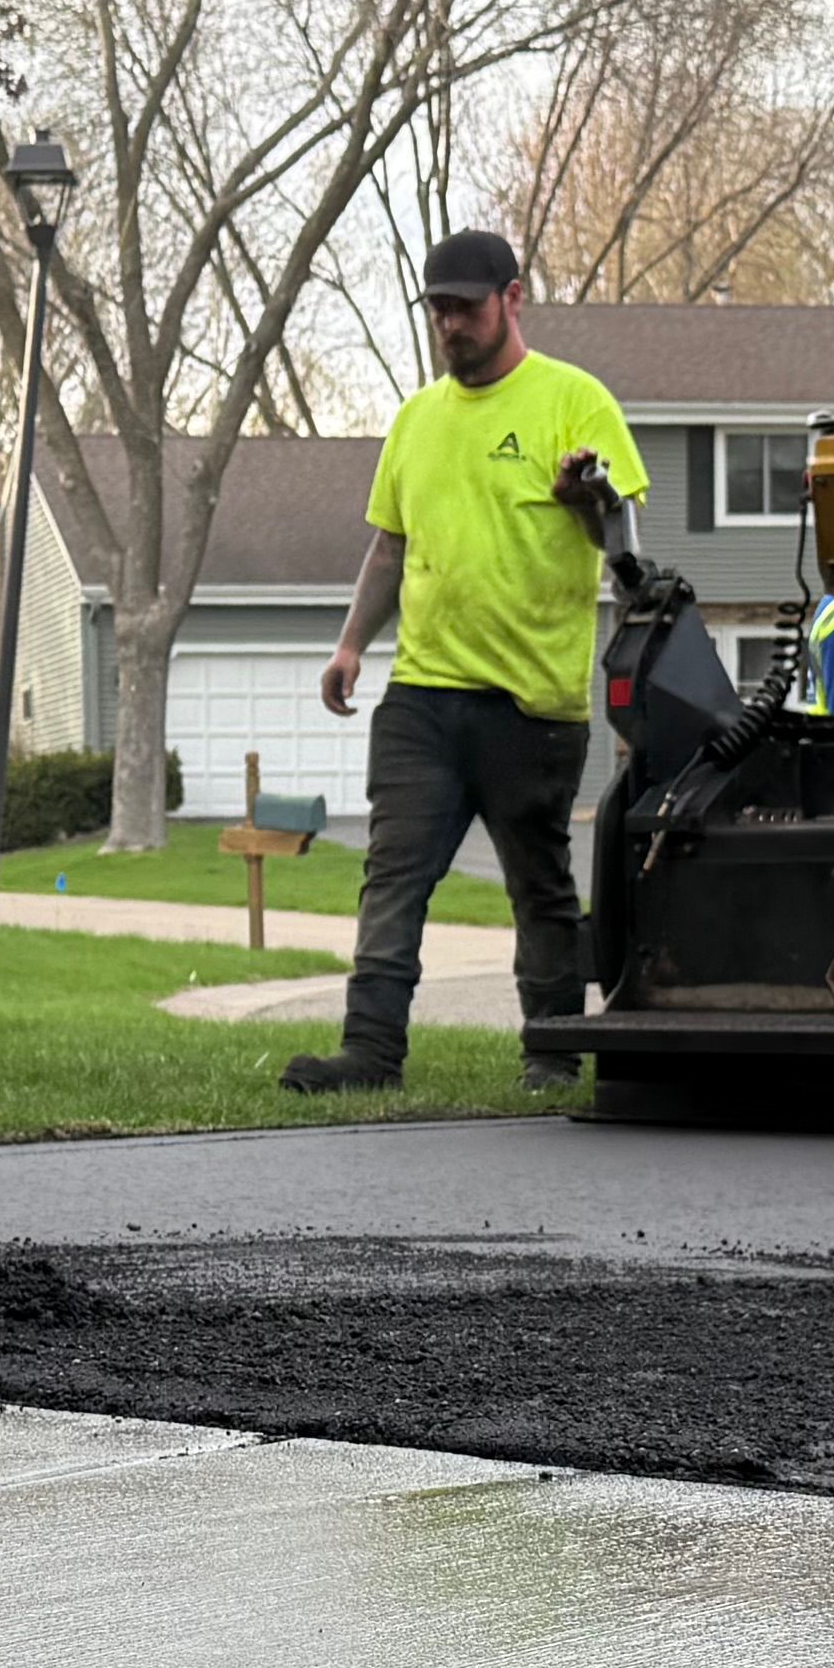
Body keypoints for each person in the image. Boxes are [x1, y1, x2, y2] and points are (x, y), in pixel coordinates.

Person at [286, 229, 651, 1098]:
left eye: (466, 307)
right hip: (423, 699)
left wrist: (591, 497)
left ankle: (554, 1052)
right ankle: (370, 1055)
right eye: (438, 309)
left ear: (512, 299)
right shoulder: (416, 422)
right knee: (394, 876)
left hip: (531, 706)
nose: (450, 324)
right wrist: (349, 645)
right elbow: (387, 550)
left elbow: (628, 547)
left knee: (540, 889)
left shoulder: (575, 401)